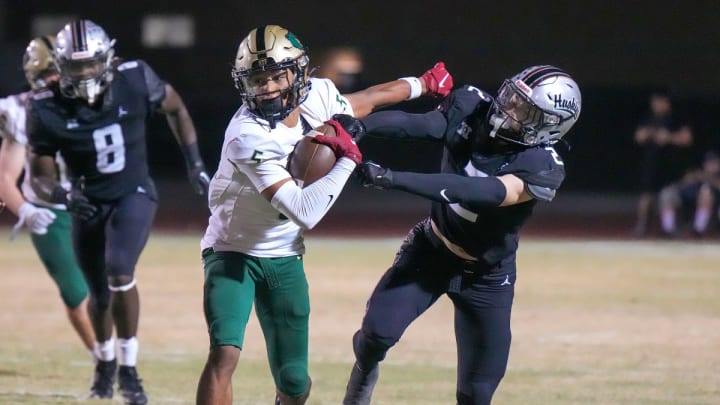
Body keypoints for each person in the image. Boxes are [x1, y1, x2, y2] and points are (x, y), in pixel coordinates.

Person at [195, 24, 453, 405]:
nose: (265, 88)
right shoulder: (246, 135)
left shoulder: (318, 95)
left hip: (283, 255)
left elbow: (368, 98)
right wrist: (348, 156)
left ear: (298, 73)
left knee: (295, 381)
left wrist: (424, 84)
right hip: (231, 250)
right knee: (225, 352)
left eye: (274, 76)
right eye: (256, 79)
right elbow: (305, 212)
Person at [341, 65, 582, 405]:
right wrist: (363, 125)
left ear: (548, 126)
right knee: (376, 334)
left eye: (524, 109)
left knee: (477, 392)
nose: (508, 108)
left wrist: (392, 178)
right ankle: (359, 387)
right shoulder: (472, 106)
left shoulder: (542, 165)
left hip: (486, 276)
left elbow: (476, 190)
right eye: (512, 97)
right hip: (431, 249)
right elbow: (420, 125)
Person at [26, 19, 210, 405]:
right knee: (98, 294)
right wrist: (61, 194)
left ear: (107, 58)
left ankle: (128, 368)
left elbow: (175, 108)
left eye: (91, 64)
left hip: (134, 192)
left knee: (119, 269)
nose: (86, 73)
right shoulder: (46, 107)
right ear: (60, 67)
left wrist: (194, 164)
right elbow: (39, 175)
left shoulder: (136, 78)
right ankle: (105, 362)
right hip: (87, 200)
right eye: (76, 67)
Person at [0, 36, 95, 354]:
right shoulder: (19, 111)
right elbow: (5, 176)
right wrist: (25, 210)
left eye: (61, 72)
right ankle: (106, 361)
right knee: (76, 292)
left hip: (88, 206)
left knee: (106, 289)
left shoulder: (92, 103)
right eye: (49, 74)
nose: (56, 80)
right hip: (49, 211)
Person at [632, 90, 693, 236]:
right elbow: (638, 137)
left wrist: (669, 138)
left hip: (671, 166)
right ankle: (642, 227)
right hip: (652, 164)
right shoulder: (648, 118)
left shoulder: (676, 118)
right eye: (654, 102)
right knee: (646, 196)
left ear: (667, 103)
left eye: (659, 102)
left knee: (669, 196)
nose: (656, 105)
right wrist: (648, 134)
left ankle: (670, 228)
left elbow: (687, 138)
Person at [658, 150, 720, 237]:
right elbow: (680, 186)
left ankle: (699, 231)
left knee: (706, 193)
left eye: (715, 163)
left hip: (712, 208)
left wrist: (707, 178)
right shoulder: (696, 172)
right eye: (709, 163)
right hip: (689, 202)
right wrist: (691, 179)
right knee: (667, 193)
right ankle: (668, 230)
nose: (711, 166)